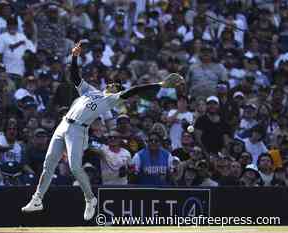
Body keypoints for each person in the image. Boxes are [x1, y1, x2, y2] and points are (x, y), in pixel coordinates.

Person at [21, 41, 185, 220]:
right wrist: (74, 56)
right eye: (112, 83)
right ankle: (37, 198)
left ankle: (90, 199)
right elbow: (75, 77)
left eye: (117, 86)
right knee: (48, 164)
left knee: (75, 167)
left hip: (78, 130)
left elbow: (135, 90)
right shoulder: (90, 91)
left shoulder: (111, 100)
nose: (113, 85)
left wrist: (160, 84)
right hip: (63, 125)